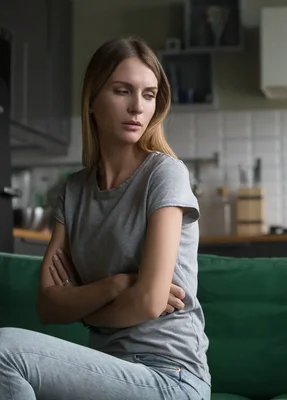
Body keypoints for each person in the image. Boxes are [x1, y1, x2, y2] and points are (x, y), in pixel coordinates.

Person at [0, 37, 210, 399]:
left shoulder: (164, 174)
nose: (137, 107)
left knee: (4, 350)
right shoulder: (75, 190)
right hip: (104, 371)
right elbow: (48, 305)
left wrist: (88, 312)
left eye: (148, 94)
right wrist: (112, 287)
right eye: (122, 91)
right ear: (93, 100)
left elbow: (148, 301)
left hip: (170, 376)